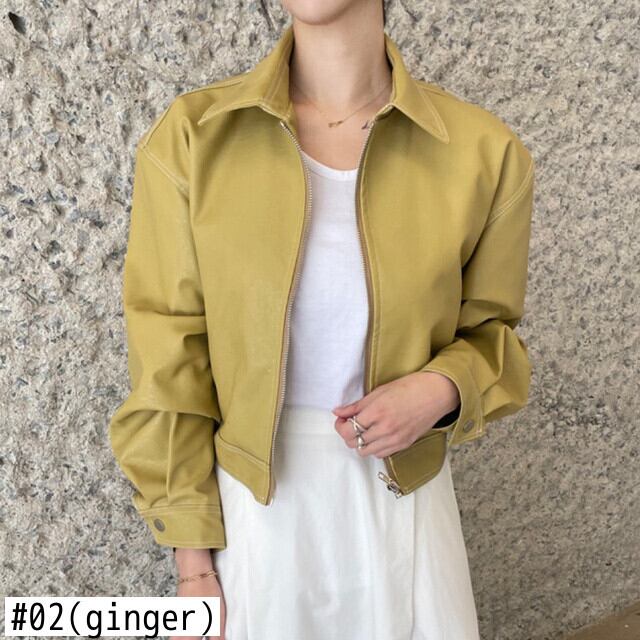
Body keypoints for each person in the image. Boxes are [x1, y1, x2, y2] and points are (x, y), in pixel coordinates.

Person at [108, 2, 535, 639]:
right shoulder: (196, 137)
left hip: (405, 503)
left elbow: (494, 340)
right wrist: (193, 568)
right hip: (257, 512)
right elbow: (169, 357)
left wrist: (440, 389)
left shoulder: (483, 152)